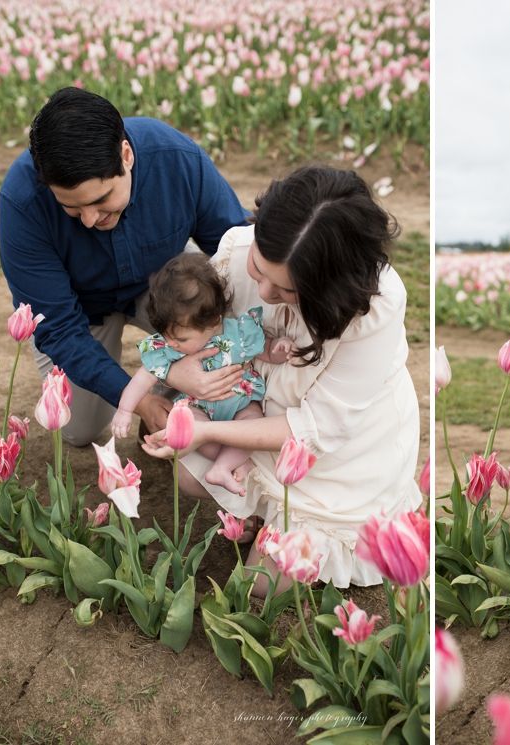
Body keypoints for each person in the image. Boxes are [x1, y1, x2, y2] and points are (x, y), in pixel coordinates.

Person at [141, 165, 422, 592]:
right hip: (252, 412)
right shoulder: (237, 250)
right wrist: (183, 374)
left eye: (288, 290)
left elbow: (317, 429)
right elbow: (188, 332)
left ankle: (289, 518)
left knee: (258, 585)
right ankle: (258, 511)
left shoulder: (374, 307)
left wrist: (202, 430)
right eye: (260, 271)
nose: (267, 294)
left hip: (337, 455)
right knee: (187, 477)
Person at [0, 86, 253, 447]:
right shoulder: (23, 202)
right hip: (80, 311)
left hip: (163, 290)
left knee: (225, 350)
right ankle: (163, 394)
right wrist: (140, 400)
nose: (88, 220)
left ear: (126, 155)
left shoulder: (176, 159)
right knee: (76, 429)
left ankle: (185, 406)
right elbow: (57, 327)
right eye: (72, 207)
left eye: (101, 200)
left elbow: (235, 248)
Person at [111, 253, 295, 495]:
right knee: (193, 431)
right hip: (200, 407)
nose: (171, 343)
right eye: (167, 336)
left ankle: (223, 466)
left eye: (180, 338)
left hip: (240, 403)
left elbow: (266, 351)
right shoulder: (170, 346)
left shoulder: (238, 333)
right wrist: (125, 410)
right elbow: (144, 377)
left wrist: (279, 348)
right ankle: (228, 461)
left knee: (253, 423)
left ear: (213, 323)